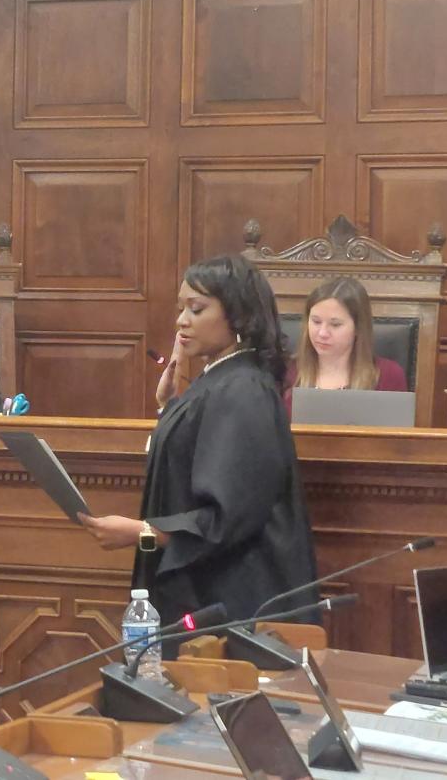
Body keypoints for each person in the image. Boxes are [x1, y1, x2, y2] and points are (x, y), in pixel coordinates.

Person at [80, 255, 319, 629]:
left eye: (196, 308)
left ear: (238, 316)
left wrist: (139, 533)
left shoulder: (243, 390)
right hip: (212, 600)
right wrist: (169, 408)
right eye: (181, 309)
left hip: (236, 609)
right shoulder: (221, 380)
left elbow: (223, 520)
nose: (181, 321)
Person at [284, 276, 408, 414]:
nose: (322, 333)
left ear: (358, 328)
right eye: (316, 322)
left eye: (335, 324)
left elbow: (395, 434)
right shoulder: (285, 371)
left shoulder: (388, 375)